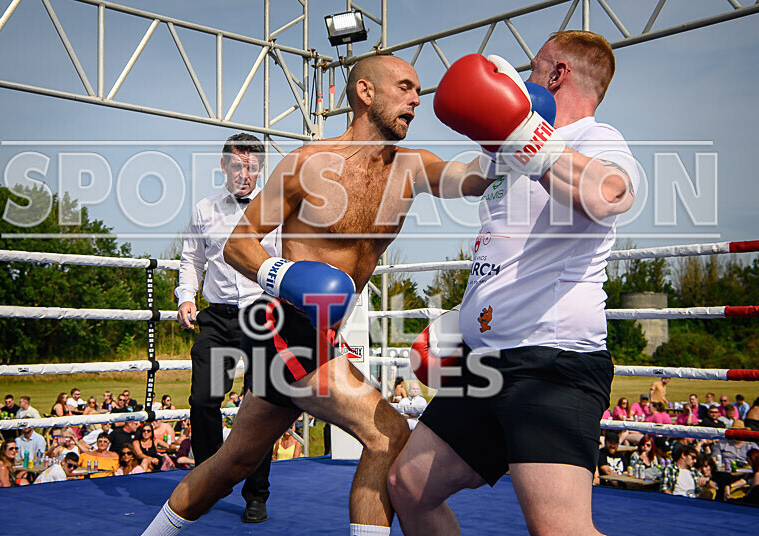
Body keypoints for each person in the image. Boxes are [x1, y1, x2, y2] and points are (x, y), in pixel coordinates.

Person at [144, 53, 489, 536]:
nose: (417, 99)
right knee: (387, 435)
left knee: (232, 463)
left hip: (317, 338)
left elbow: (468, 180)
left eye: (419, 91)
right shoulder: (308, 164)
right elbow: (238, 244)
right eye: (406, 87)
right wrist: (285, 276)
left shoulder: (410, 167)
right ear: (366, 93)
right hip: (284, 328)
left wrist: (511, 135)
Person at [389, 31, 640, 536]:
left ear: (558, 74)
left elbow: (612, 195)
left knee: (558, 528)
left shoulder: (597, 138)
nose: (523, 79)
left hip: (551, 362)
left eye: (532, 67)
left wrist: (529, 137)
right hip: (485, 364)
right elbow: (473, 195)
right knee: (409, 487)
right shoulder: (507, 150)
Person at [174, 132, 280, 524]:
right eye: (237, 165)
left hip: (262, 314)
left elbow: (290, 263)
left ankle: (257, 495)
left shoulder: (276, 211)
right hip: (216, 317)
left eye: (251, 166)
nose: (244, 174)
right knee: (204, 400)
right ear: (224, 166)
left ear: (260, 168)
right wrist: (186, 296)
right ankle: (208, 481)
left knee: (261, 406)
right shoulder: (205, 209)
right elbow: (191, 259)